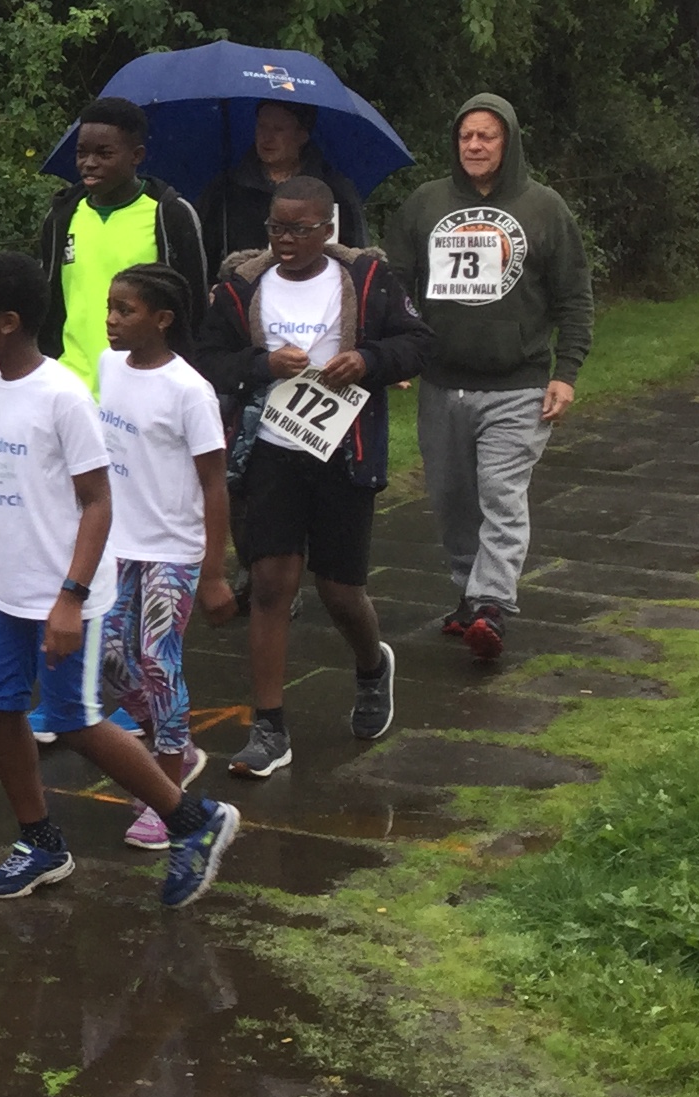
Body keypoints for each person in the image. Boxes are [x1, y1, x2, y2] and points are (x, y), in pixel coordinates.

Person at [0, 252, 242, 909]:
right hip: (5, 590)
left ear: (8, 322)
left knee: (73, 720)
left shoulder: (64, 396)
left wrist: (71, 597)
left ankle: (193, 819)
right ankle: (39, 842)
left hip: (66, 594)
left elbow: (98, 502)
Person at [194, 175, 431, 778]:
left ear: (328, 229)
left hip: (343, 453)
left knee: (339, 590)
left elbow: (417, 342)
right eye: (276, 228)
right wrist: (261, 364)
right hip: (270, 451)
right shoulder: (242, 285)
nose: (286, 240)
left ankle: (372, 666)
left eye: (300, 229)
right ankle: (269, 729)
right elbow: (209, 357)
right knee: (271, 584)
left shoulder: (368, 279)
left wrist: (367, 360)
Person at [383, 93, 595, 664]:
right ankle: (469, 593)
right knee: (453, 500)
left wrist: (566, 372)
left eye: (487, 136)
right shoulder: (426, 204)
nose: (474, 146)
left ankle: (492, 603)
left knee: (502, 495)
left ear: (509, 142)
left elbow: (574, 297)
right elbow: (394, 283)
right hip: (441, 383)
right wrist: (395, 352)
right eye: (466, 136)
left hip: (517, 385)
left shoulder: (544, 208)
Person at [91, 265, 237, 848]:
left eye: (125, 310)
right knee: (106, 656)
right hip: (118, 543)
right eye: (110, 307)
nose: (111, 320)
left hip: (173, 550)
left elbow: (215, 484)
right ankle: (175, 742)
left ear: (162, 319)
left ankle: (167, 792)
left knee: (158, 661)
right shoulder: (108, 367)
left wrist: (214, 571)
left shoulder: (189, 391)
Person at [34, 95, 211, 392]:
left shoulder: (170, 215)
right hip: (71, 388)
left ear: (136, 156)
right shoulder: (61, 217)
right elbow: (49, 303)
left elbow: (195, 312)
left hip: (143, 390)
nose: (89, 163)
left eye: (104, 154)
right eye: (81, 153)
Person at [206, 100, 369, 267]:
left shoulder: (336, 190)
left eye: (278, 129)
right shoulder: (226, 188)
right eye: (262, 126)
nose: (267, 137)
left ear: (302, 135)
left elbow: (356, 260)